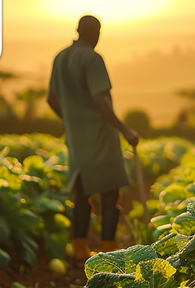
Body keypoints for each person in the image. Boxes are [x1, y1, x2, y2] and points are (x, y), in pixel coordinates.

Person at [47, 15, 140, 266]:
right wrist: (125, 130)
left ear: (77, 30)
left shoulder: (61, 57)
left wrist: (71, 120)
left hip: (76, 137)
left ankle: (80, 250)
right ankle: (108, 252)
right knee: (110, 194)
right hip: (101, 134)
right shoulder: (92, 58)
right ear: (95, 33)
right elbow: (101, 101)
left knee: (81, 192)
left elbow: (51, 99)